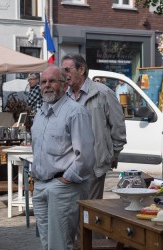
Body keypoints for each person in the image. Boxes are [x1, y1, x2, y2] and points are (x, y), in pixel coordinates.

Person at [31, 65, 95, 250]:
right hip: (41, 186)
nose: (47, 85)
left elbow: (86, 156)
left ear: (65, 84)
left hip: (63, 187)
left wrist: (65, 180)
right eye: (44, 82)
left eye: (52, 81)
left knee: (60, 245)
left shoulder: (75, 111)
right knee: (47, 244)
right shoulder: (40, 113)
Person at [61, 53, 127, 200]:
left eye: (67, 70)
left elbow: (118, 128)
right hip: (68, 165)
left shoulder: (103, 93)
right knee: (71, 212)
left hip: (93, 165)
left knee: (89, 213)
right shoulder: (64, 96)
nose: (64, 74)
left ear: (81, 69)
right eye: (63, 70)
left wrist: (111, 155)